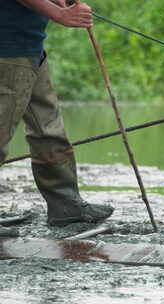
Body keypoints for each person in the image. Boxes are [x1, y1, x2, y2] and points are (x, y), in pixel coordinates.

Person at [0, 0, 114, 236]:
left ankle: (66, 205)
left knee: (48, 128)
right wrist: (60, 14)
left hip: (28, 46)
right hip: (8, 50)